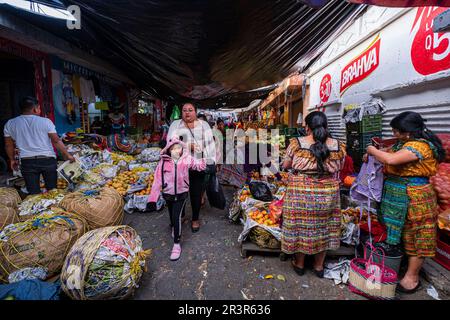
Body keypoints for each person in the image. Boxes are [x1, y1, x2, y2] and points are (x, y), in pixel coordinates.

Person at [365, 111, 445, 294]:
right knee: (401, 234)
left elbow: (391, 159)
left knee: (417, 236)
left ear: (408, 132)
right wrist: (376, 155)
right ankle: (400, 266)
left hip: (415, 198)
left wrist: (372, 150)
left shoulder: (420, 147)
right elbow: (387, 154)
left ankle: (412, 277)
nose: (394, 135)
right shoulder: (404, 144)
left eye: (396, 131)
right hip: (397, 197)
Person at [281, 111, 346, 277]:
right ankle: (318, 266)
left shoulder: (297, 143)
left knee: (300, 226)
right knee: (325, 227)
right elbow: (341, 166)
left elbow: (286, 164)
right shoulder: (338, 145)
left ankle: (300, 263)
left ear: (307, 127)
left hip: (300, 191)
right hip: (328, 193)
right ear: (326, 126)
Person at [147, 138, 206, 261]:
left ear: (182, 148)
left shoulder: (186, 160)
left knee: (176, 216)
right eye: (173, 148)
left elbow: (200, 166)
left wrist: (200, 155)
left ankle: (176, 244)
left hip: (181, 194)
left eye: (178, 148)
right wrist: (152, 199)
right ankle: (174, 227)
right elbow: (157, 181)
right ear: (168, 150)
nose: (176, 150)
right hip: (167, 194)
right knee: (172, 217)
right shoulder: (162, 163)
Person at [3, 96, 75, 194]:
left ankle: (36, 207)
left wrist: (11, 159)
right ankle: (53, 208)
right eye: (39, 108)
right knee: (52, 191)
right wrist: (68, 155)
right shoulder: (46, 122)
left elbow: (8, 145)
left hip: (27, 162)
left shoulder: (10, 123)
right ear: (35, 109)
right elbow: (56, 141)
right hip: (48, 160)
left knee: (33, 193)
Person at [167, 102, 216, 232]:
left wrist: (211, 160)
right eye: (184, 110)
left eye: (190, 110)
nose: (187, 112)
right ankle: (181, 215)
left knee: (195, 193)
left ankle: (195, 218)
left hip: (197, 165)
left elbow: (210, 143)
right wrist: (189, 146)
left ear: (195, 112)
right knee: (180, 192)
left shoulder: (204, 125)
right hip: (179, 165)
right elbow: (170, 143)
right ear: (181, 112)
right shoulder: (175, 125)